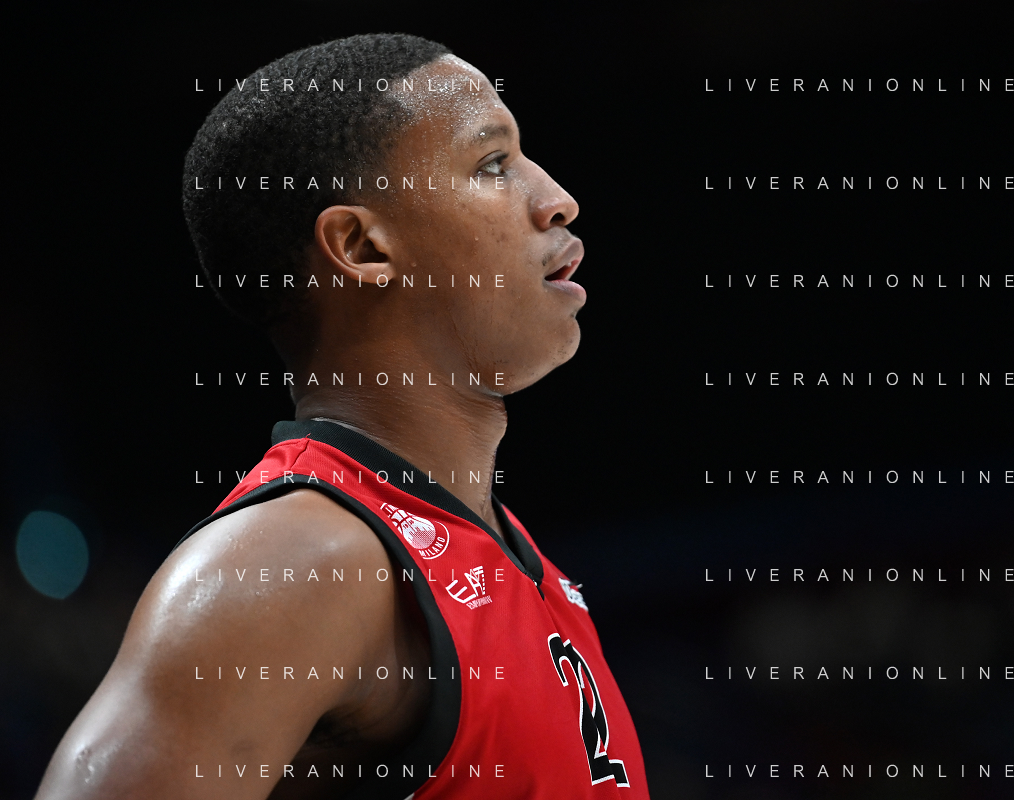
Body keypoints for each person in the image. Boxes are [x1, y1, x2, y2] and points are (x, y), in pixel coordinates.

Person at [36, 33, 647, 800]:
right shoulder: (300, 562)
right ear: (361, 246)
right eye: (493, 163)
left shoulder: (493, 545)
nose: (555, 197)